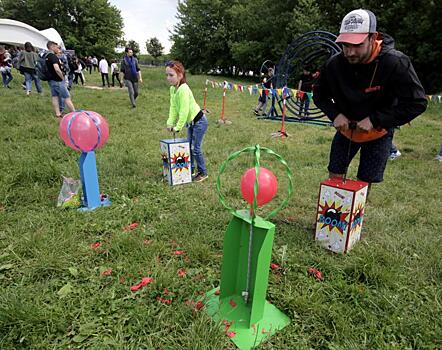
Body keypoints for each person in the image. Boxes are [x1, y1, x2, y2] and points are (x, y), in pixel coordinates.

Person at [313, 9, 427, 193]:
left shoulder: (395, 63)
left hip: (378, 133)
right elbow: (318, 93)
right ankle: (332, 219)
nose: (349, 52)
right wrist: (335, 114)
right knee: (334, 174)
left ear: (373, 37)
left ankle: (356, 218)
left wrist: (376, 119)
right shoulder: (334, 64)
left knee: (364, 183)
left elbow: (417, 103)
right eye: (345, 45)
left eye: (356, 45)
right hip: (345, 132)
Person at [165, 60, 209, 182]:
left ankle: (203, 172)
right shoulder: (173, 89)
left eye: (171, 75)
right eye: (167, 75)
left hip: (199, 121)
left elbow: (184, 111)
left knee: (195, 148)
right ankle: (191, 169)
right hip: (191, 123)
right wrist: (170, 122)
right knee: (188, 147)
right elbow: (173, 108)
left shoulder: (183, 89)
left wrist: (178, 127)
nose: (168, 78)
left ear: (180, 75)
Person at [45, 41, 75, 118]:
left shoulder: (46, 56)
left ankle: (58, 113)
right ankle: (74, 113)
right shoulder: (53, 57)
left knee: (55, 97)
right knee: (66, 97)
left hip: (51, 80)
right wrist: (62, 77)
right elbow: (57, 69)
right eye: (56, 47)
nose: (57, 48)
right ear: (51, 47)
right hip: (57, 80)